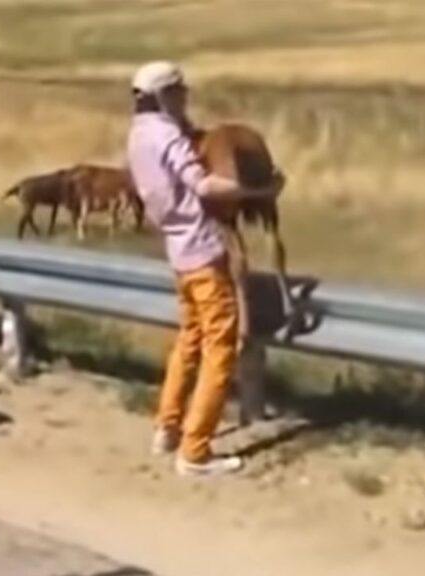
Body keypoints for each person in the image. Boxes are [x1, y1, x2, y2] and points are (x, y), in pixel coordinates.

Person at [126, 61, 274, 477]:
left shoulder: (137, 136)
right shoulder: (168, 135)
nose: (185, 96)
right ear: (165, 95)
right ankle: (195, 451)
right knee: (220, 347)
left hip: (176, 251)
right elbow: (204, 186)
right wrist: (259, 191)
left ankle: (167, 426)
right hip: (202, 250)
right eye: (179, 91)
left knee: (189, 338)